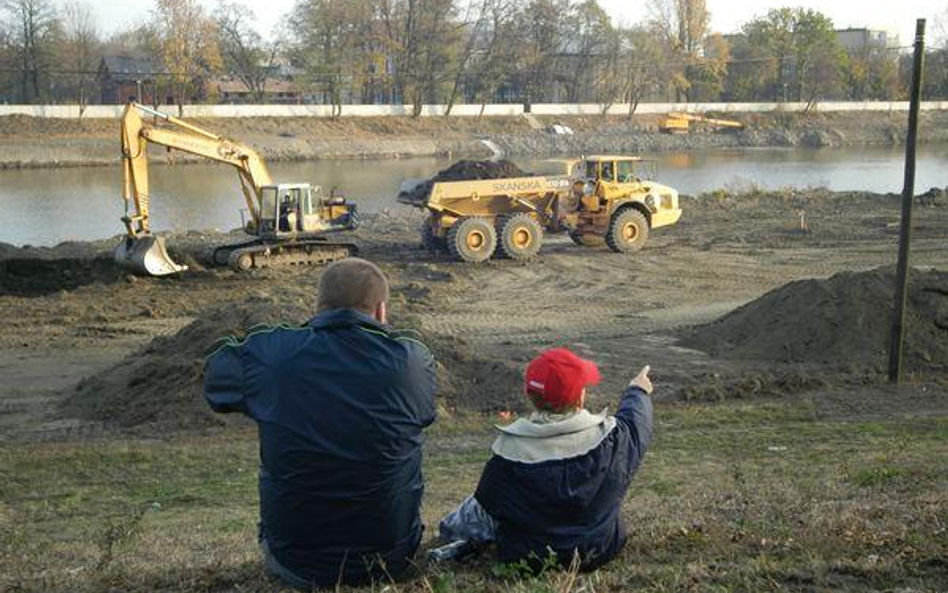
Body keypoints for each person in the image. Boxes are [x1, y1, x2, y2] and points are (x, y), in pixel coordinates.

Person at [203, 257, 437, 588]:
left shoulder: (274, 357)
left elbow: (216, 380)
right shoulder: (412, 361)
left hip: (295, 562)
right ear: (382, 311)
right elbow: (425, 413)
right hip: (391, 560)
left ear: (318, 307)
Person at [437, 348, 653, 572]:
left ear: (530, 396)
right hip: (600, 550)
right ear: (580, 397)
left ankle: (445, 532)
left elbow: (488, 504)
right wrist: (637, 390)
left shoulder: (506, 457)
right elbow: (637, 421)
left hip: (527, 560)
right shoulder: (614, 440)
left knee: (472, 510)